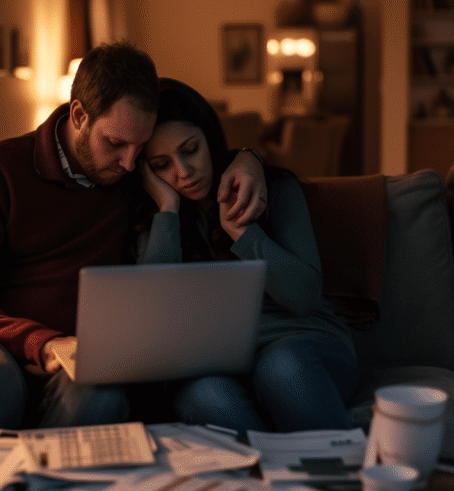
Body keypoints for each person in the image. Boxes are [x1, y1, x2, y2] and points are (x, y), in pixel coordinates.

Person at [0, 42, 268, 429]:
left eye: (139, 148)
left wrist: (249, 157)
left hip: (80, 357)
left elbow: (193, 149)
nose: (127, 162)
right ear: (78, 115)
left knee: (102, 396)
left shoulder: (132, 179)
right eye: (115, 143)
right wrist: (42, 341)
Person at [133, 78, 359, 433]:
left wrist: (242, 230)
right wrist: (169, 207)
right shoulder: (159, 218)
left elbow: (303, 297)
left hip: (300, 345)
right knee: (204, 394)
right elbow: (152, 312)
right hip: (215, 366)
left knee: (282, 368)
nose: (183, 172)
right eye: (161, 164)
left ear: (209, 136)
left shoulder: (272, 186)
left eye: (190, 150)